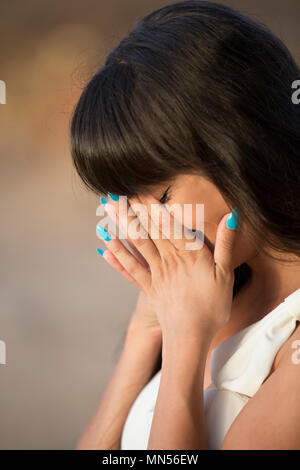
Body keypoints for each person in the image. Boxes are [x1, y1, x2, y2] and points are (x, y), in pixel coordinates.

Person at [69, 1, 300, 449]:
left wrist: (184, 343)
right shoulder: (209, 294)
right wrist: (148, 328)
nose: (140, 228)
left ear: (242, 146)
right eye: (125, 204)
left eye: (162, 197)